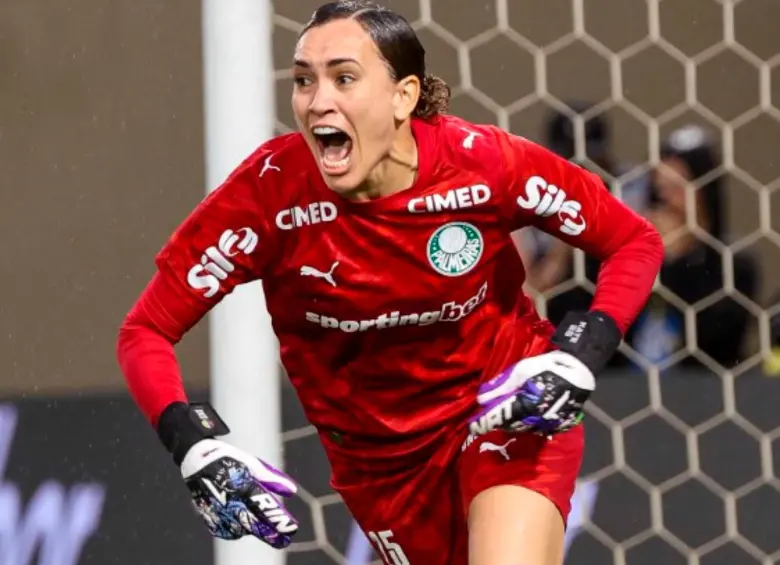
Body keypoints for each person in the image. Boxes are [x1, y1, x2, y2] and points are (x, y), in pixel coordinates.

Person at [116, 2, 664, 564]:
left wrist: (583, 352)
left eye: (344, 78)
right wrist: (190, 444)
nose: (317, 100)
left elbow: (634, 241)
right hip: (382, 470)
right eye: (304, 79)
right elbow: (145, 331)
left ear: (403, 96)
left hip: (504, 411)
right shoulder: (268, 195)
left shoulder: (482, 166)